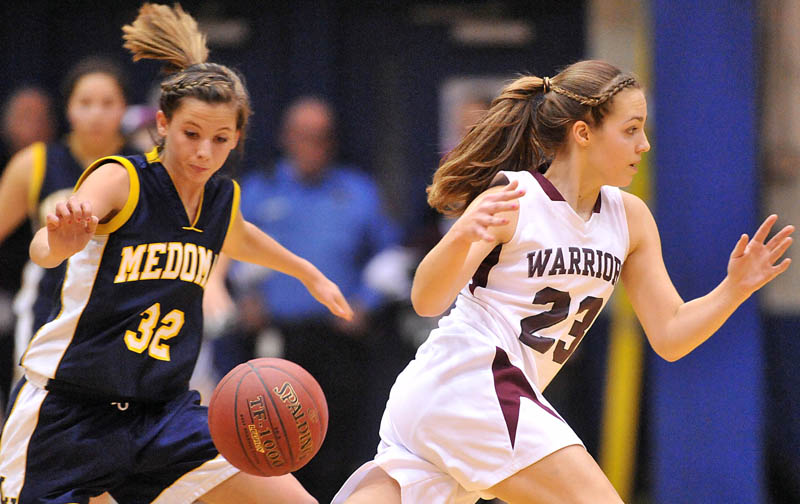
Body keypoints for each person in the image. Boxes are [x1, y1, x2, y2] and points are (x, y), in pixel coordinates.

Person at [331, 60, 795, 504]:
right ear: (583, 133)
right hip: (471, 381)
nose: (645, 145)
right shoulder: (514, 197)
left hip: (458, 403)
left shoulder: (629, 218)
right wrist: (461, 237)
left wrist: (734, 288)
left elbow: (670, 334)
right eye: (631, 129)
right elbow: (427, 300)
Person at [0, 4, 352, 503]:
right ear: (162, 124)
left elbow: (243, 236)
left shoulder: (220, 199)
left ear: (236, 140)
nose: (203, 152)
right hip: (69, 414)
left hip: (160, 415)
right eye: (191, 134)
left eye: (220, 139)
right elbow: (45, 246)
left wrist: (308, 274)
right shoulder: (120, 178)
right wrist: (59, 240)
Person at [210, 96, 399, 502]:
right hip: (273, 342)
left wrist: (365, 303)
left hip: (337, 339)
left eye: (321, 137)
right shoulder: (258, 191)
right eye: (304, 136)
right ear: (286, 138)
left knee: (340, 447)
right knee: (269, 445)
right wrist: (243, 299)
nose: (312, 145)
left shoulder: (359, 192)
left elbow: (390, 257)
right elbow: (224, 255)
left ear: (332, 142)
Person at [0, 57, 137, 396]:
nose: (96, 113)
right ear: (68, 109)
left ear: (124, 108)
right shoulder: (35, 162)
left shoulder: (143, 167)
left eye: (108, 103)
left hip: (120, 312)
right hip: (47, 308)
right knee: (38, 413)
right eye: (85, 103)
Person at [0, 87, 56, 416]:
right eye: (23, 117)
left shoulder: (117, 167)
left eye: (38, 118)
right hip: (18, 291)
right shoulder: (23, 166)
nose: (31, 125)